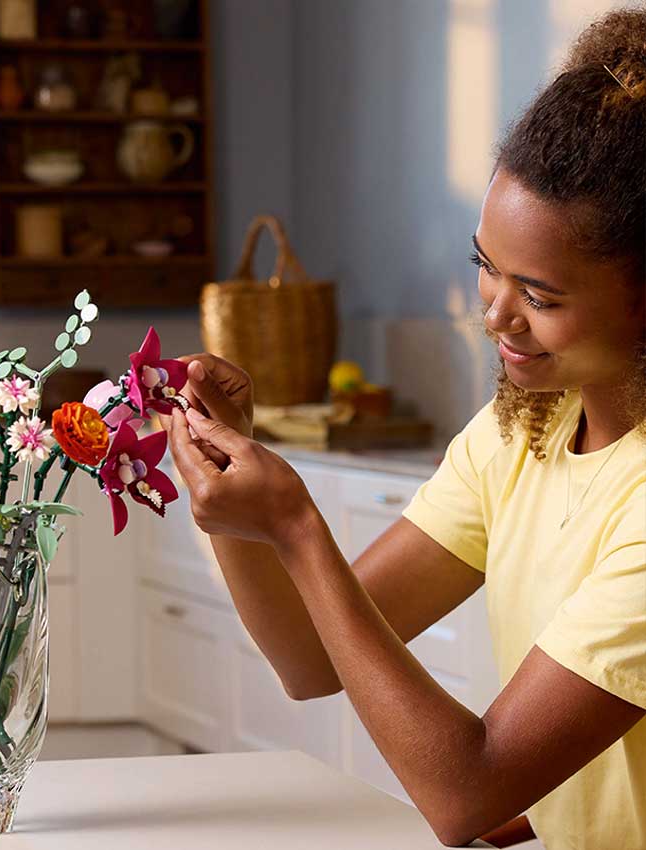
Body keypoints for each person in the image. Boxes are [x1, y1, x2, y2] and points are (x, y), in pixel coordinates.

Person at [164, 9, 646, 849]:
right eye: (485, 268)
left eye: (540, 296)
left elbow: (465, 795)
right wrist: (238, 501)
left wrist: (296, 524)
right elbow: (310, 661)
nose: (495, 315)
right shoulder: (520, 433)